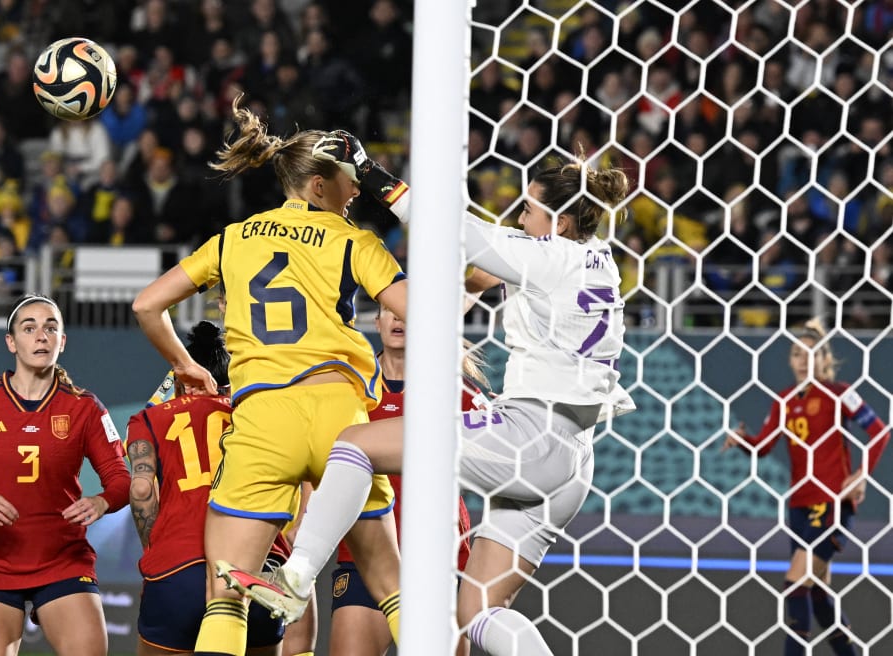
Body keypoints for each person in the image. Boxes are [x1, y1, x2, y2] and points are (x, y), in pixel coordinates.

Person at [222, 134, 636, 656]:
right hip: (573, 461)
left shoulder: (549, 259)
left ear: (562, 223)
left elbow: (448, 229)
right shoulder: (599, 261)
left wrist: (369, 171)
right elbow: (500, 265)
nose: (520, 218)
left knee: (354, 444)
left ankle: (296, 577)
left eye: (529, 210)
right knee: (479, 613)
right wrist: (474, 286)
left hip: (532, 437)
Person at [131, 99, 409, 656]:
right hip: (341, 424)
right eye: (349, 181)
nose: (355, 192)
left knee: (225, 599)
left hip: (262, 423)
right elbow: (419, 312)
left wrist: (185, 365)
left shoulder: (232, 238)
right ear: (317, 186)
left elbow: (146, 305)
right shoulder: (354, 241)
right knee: (395, 591)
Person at [0, 293, 132, 656]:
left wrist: (102, 502)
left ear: (62, 341)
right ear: (11, 342)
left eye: (50, 328)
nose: (41, 336)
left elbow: (121, 479)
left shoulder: (85, 408)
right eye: (29, 328)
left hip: (62, 559)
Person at [126, 320, 316, 656]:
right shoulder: (256, 415)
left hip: (177, 569)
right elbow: (307, 470)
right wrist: (292, 532)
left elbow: (141, 490)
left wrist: (154, 552)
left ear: (181, 380)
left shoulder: (149, 419)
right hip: (258, 570)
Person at [723, 318, 889, 656]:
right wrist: (743, 441)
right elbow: (763, 447)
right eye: (797, 353)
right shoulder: (783, 400)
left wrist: (861, 475)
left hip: (830, 503)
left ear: (824, 359)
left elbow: (879, 431)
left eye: (811, 353)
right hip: (798, 505)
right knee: (816, 593)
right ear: (790, 359)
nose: (803, 359)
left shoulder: (839, 393)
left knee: (795, 585)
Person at [329, 305, 486, 656]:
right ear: (376, 321)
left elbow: (503, 453)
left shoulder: (453, 390)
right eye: (390, 310)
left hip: (437, 556)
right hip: (366, 555)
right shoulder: (349, 387)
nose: (398, 318)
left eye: (408, 309)